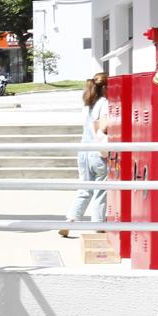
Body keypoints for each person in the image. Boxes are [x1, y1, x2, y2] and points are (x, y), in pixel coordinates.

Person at [59, 72, 109, 236]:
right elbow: (103, 127)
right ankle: (98, 224)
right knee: (101, 189)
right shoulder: (104, 103)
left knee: (84, 188)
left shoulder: (87, 105)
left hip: (83, 150)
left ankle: (70, 220)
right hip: (98, 151)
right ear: (106, 87)